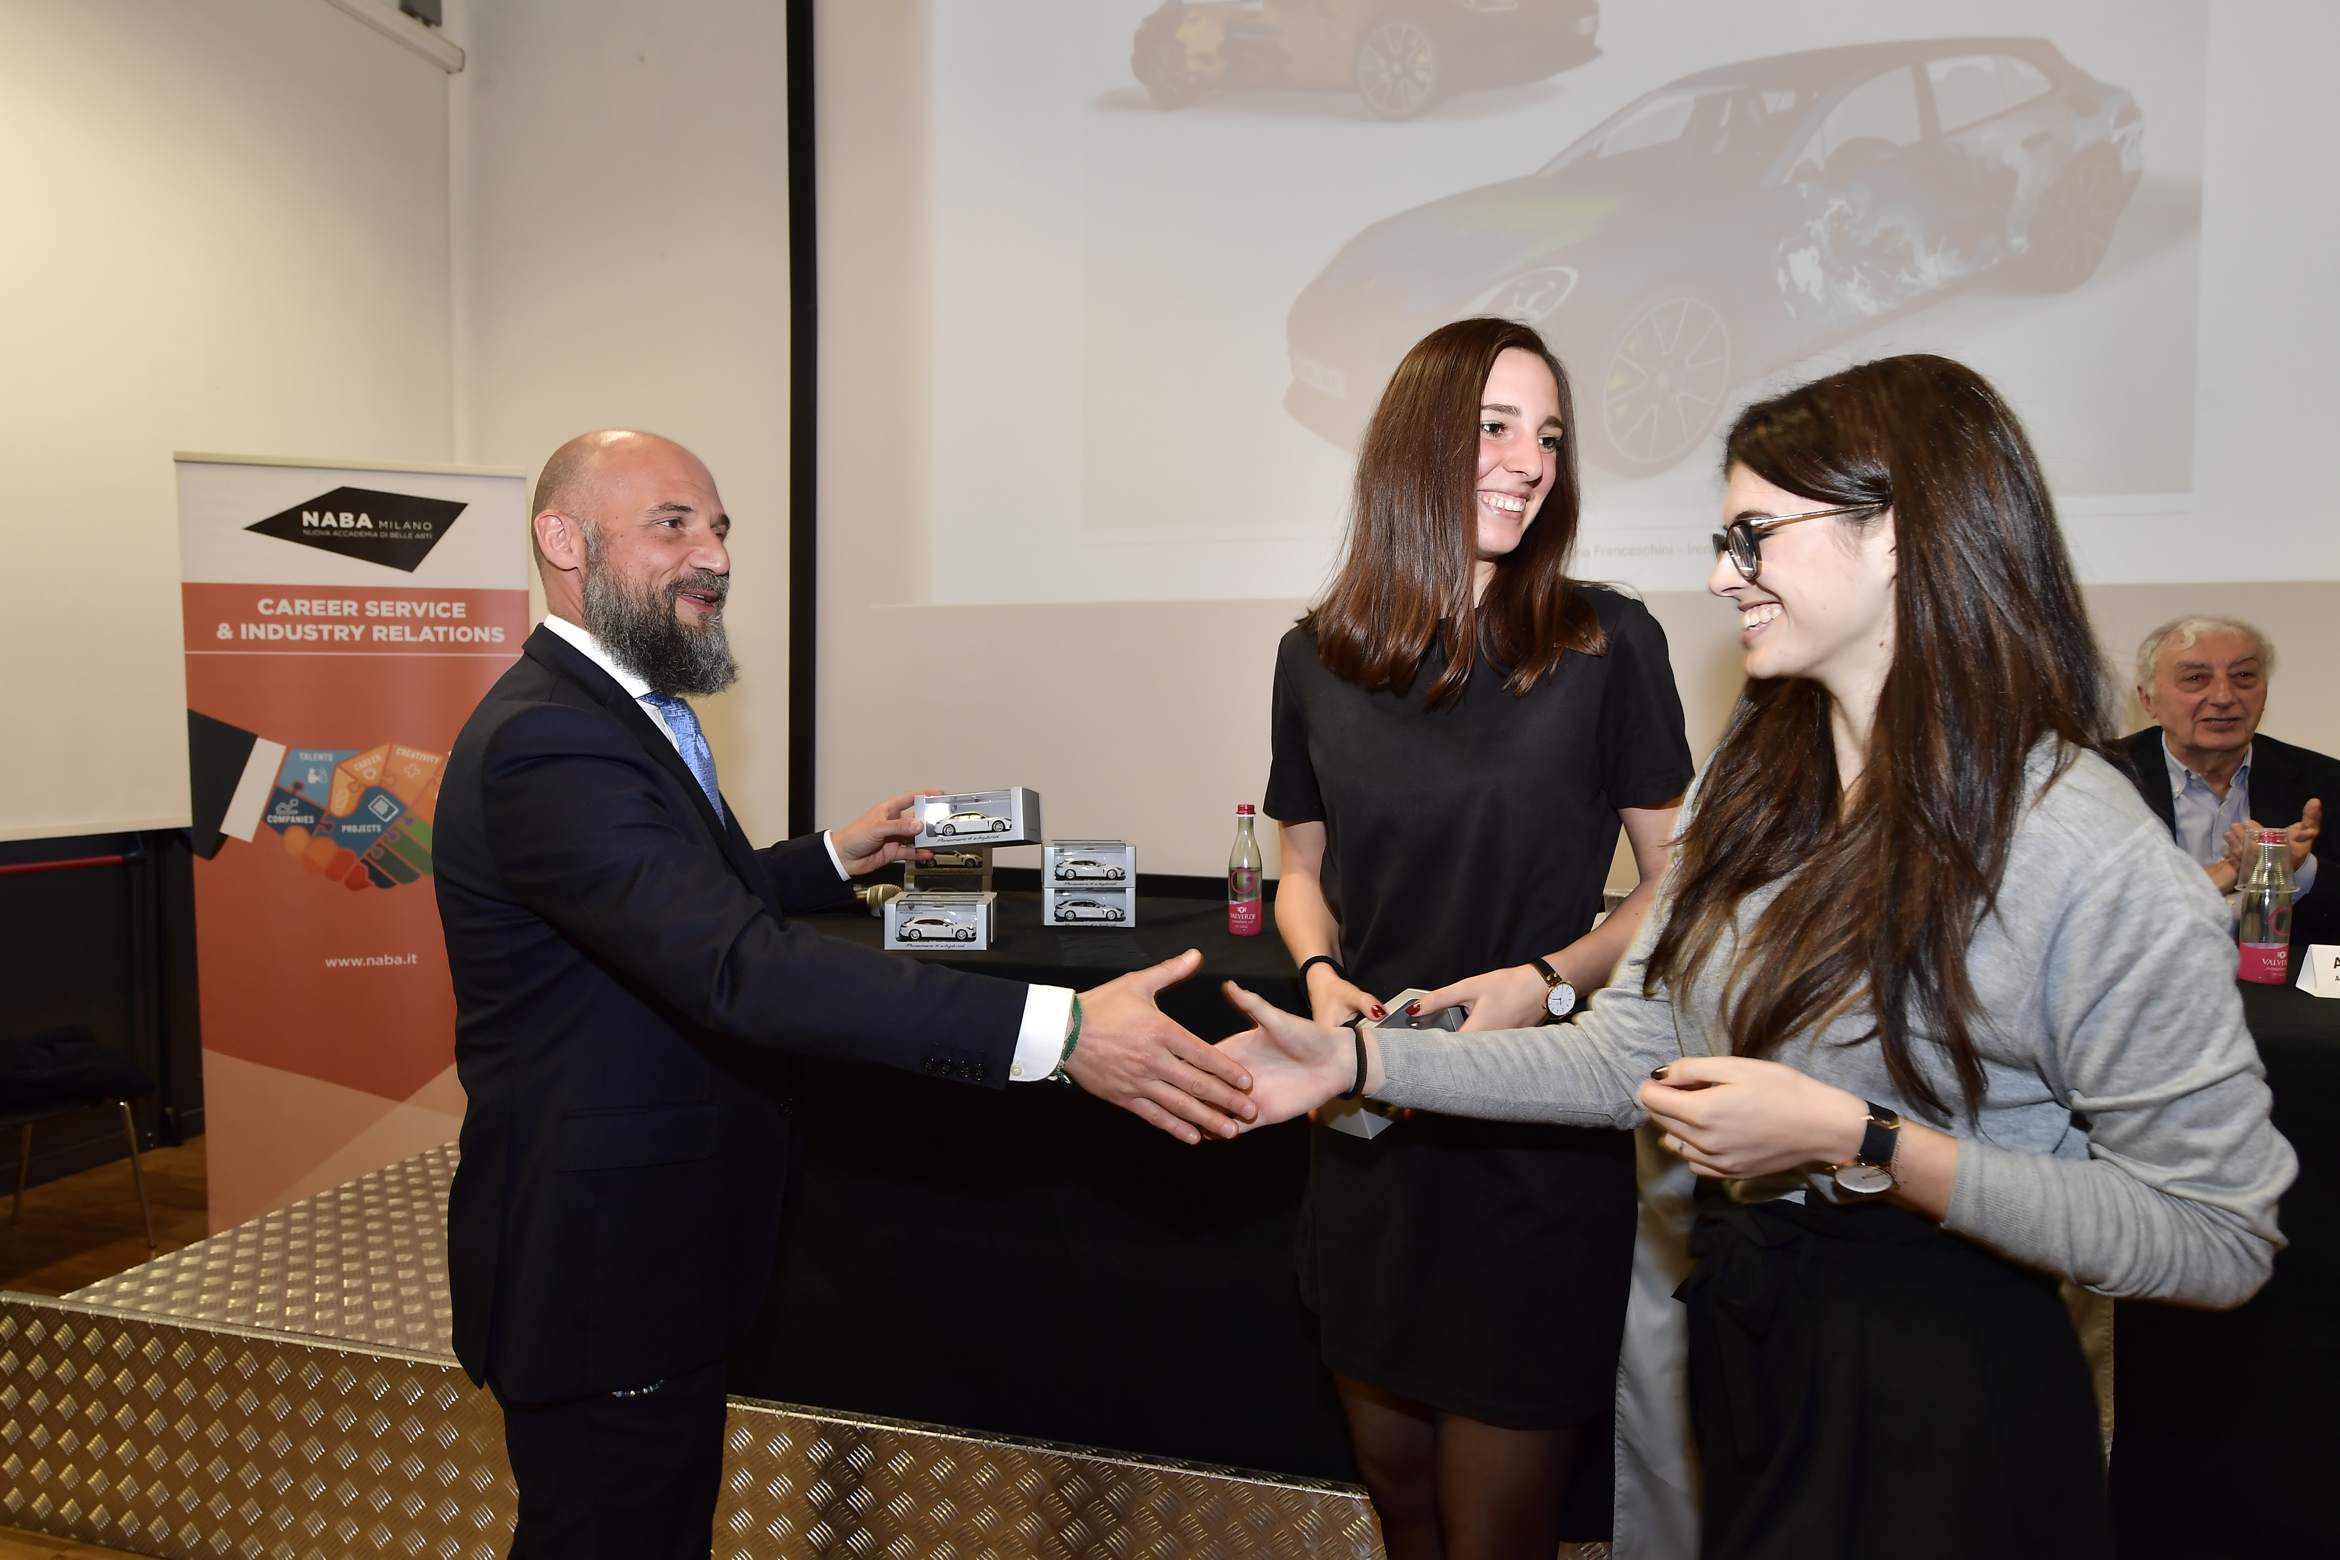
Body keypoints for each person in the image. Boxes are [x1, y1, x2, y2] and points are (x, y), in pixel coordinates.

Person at [1222, 356, 2295, 1559]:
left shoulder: (2078, 843)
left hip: (1945, 1404)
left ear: (1897, 536)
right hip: (1756, 1353)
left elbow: (2216, 1239)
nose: (1721, 575)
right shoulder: (1761, 783)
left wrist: (1864, 1142)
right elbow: (1625, 1054)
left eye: (1753, 536)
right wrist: (1359, 1062)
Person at [434, 430, 1256, 1559]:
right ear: (563, 540)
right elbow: (733, 964)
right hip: (604, 1273)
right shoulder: (553, 740)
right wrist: (1058, 1029)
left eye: (720, 528)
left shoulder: (611, 714)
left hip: (647, 1264)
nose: (715, 556)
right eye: (673, 524)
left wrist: (828, 858)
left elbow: (671, 899)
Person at [1265, 317, 1691, 1559]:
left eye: (1549, 436)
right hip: (1371, 1133)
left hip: (1533, 1133)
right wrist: (1321, 976)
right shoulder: (1316, 656)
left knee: (1496, 1533)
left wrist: (1547, 982)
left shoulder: (1607, 643)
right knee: (1399, 1503)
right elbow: (1302, 872)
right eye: (1496, 427)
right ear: (1417, 444)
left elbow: (1680, 883)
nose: (1530, 462)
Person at [2119, 616, 2337, 951]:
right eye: (2195, 678)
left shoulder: (2325, 780)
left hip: (2279, 983)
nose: (2224, 696)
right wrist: (2219, 876)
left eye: (2244, 676)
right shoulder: (2103, 779)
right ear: (2148, 700)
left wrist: (2298, 868)